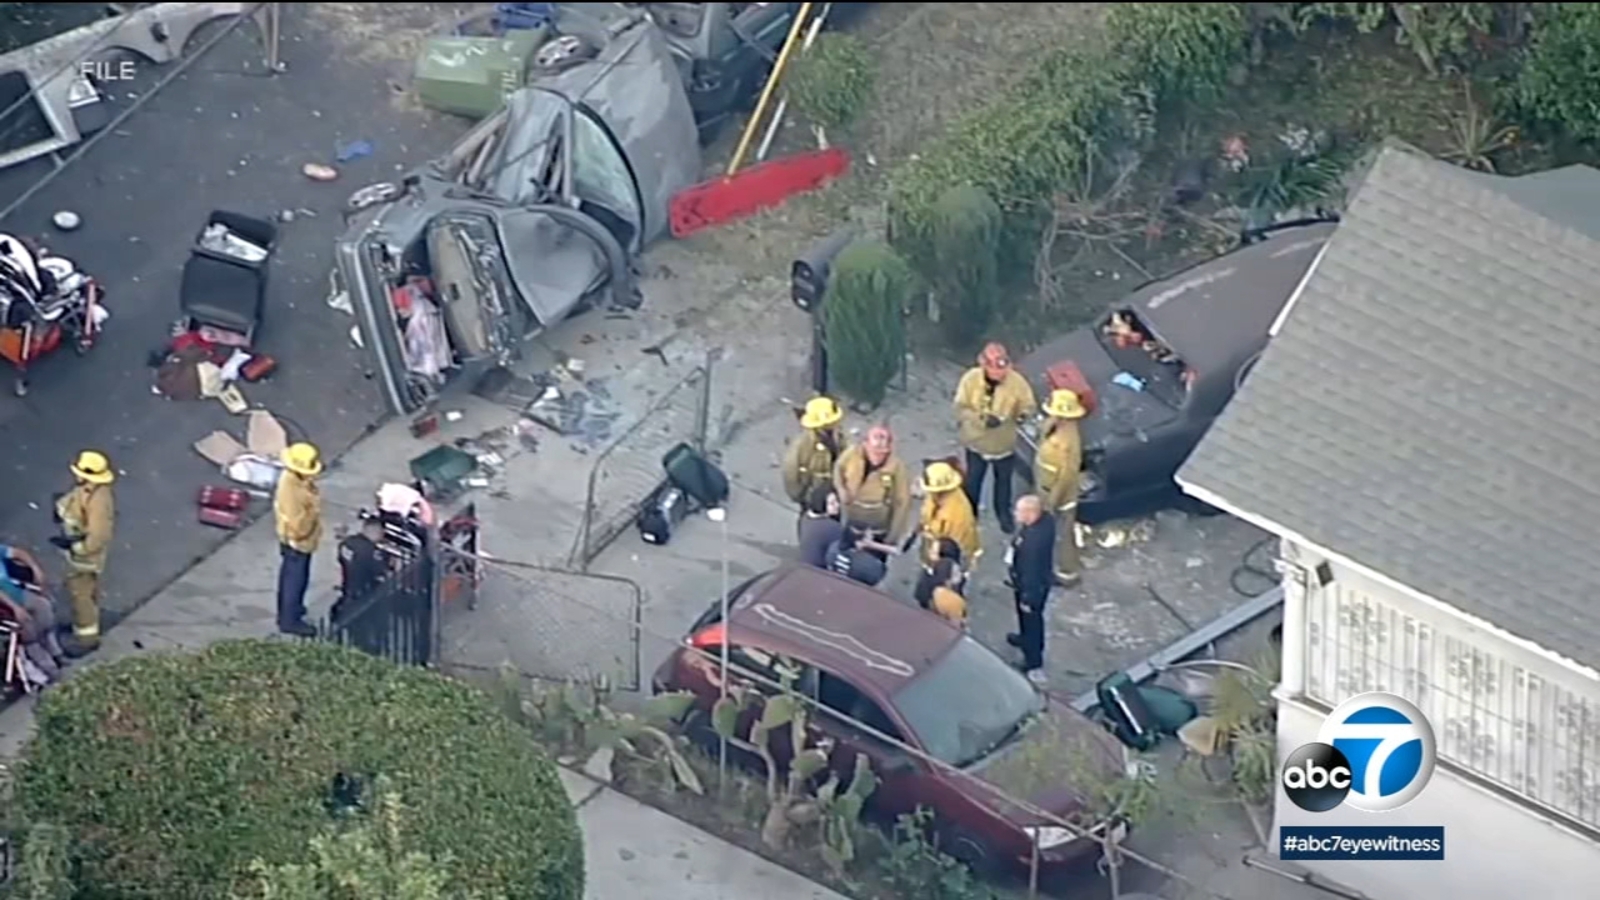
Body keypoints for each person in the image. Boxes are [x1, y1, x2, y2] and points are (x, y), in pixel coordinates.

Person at [953, 342, 1037, 534]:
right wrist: (980, 419)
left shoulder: (1017, 382)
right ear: (983, 363)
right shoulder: (970, 380)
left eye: (1003, 364)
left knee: (1003, 482)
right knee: (973, 481)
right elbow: (960, 407)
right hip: (975, 442)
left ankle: (1004, 515)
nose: (999, 371)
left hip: (1003, 444)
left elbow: (1029, 405)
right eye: (994, 365)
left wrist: (1022, 415)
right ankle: (969, 515)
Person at [50, 449, 116, 656]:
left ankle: (86, 640)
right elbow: (72, 503)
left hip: (85, 556)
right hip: (79, 552)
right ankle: (84, 627)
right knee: (88, 591)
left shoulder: (98, 500)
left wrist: (80, 549)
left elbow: (99, 534)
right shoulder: (88, 490)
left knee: (81, 595)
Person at [832, 424, 912, 557]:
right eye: (874, 450)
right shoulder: (852, 454)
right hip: (851, 519)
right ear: (865, 443)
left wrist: (892, 537)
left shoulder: (897, 469)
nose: (877, 456)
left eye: (882, 451)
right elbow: (838, 468)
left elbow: (902, 504)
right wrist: (841, 490)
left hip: (877, 528)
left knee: (872, 561)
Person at [1034, 389, 1088, 587]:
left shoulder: (1068, 441)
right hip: (1044, 485)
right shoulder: (1054, 426)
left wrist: (1053, 500)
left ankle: (1068, 572)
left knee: (1065, 533)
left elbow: (1067, 476)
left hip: (1060, 495)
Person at [274, 442, 325, 637]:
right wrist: (313, 511)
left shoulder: (298, 482)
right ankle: (289, 620)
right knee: (294, 581)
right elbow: (298, 526)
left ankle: (293, 609)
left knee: (294, 578)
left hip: (302, 542)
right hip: (296, 543)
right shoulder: (291, 490)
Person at [1006, 495, 1055, 683]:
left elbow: (1031, 573)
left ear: (1031, 514)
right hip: (1033, 583)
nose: (1015, 513)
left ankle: (1033, 660)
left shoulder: (1032, 544)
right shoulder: (1045, 522)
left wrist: (1028, 598)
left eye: (1019, 511)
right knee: (1026, 620)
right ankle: (1024, 639)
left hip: (1031, 589)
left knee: (1032, 622)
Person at [0, 543, 64, 680]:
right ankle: (49, 669)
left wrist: (35, 569)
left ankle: (56, 653)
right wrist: (15, 608)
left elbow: (18, 553)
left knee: (44, 608)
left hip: (15, 592)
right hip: (3, 604)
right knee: (28, 627)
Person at [781, 396, 844, 534]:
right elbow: (791, 474)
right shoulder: (802, 446)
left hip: (834, 493)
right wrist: (801, 497)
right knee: (811, 527)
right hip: (813, 497)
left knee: (834, 524)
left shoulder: (838, 437)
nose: (836, 424)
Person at [917, 459, 980, 569]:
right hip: (933, 544)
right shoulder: (937, 496)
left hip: (947, 554)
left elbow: (953, 547)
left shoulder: (956, 514)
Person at [333, 512, 390, 625]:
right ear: (378, 532)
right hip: (364, 595)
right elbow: (382, 573)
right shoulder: (372, 552)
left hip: (348, 591)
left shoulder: (347, 544)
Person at [797, 484, 845, 569]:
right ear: (821, 504)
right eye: (832, 503)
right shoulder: (832, 527)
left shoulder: (805, 517)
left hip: (805, 565)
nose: (837, 505)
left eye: (837, 501)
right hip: (821, 569)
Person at [925, 557, 968, 629]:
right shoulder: (955, 601)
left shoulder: (934, 591)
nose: (960, 574)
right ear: (947, 579)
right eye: (956, 573)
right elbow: (956, 628)